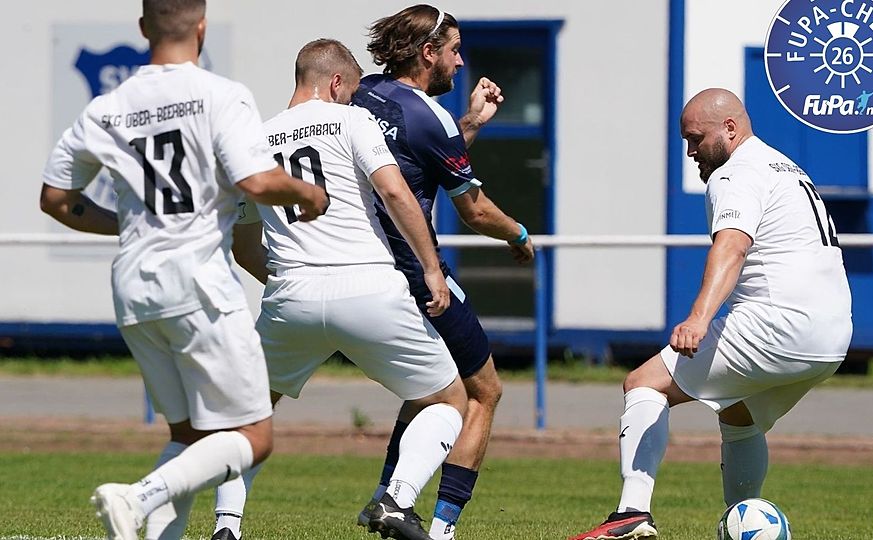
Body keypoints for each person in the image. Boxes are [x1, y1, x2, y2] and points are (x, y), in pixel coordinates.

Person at [38, 1, 328, 539]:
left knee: (191, 438)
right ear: (201, 28)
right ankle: (136, 495)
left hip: (133, 287)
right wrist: (308, 192)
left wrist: (127, 225)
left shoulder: (107, 109)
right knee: (253, 438)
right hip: (197, 284)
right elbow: (257, 182)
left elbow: (57, 199)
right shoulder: (221, 94)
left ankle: (144, 517)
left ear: (144, 28)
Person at [201, 39, 468, 540]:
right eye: (350, 92)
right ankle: (396, 501)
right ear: (337, 83)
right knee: (449, 400)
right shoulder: (351, 120)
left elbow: (242, 244)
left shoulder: (253, 142)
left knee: (248, 410)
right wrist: (431, 268)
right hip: (370, 286)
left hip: (290, 293)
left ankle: (227, 528)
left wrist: (293, 283)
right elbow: (394, 191)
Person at [569, 88, 853, 540]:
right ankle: (745, 523)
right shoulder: (784, 166)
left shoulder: (735, 173)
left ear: (730, 130)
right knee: (737, 412)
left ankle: (630, 513)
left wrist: (699, 318)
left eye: (696, 139)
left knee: (643, 383)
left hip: (777, 321)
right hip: (833, 336)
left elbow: (733, 245)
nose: (690, 151)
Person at [349, 6, 535, 539]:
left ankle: (385, 502)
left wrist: (470, 124)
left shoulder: (368, 94)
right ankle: (435, 527)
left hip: (366, 270)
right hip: (417, 272)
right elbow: (474, 209)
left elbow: (418, 158)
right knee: (484, 392)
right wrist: (519, 233)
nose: (460, 60)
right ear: (428, 53)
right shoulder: (428, 115)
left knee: (426, 392)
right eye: (454, 49)